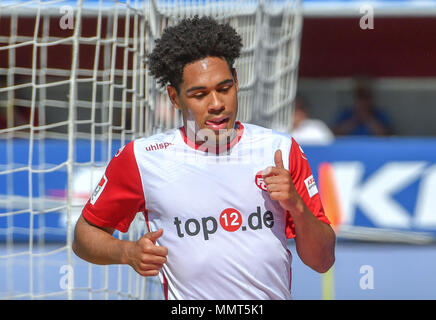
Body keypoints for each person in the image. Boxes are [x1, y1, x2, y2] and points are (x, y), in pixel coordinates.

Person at [72, 16, 336, 300]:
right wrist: (126, 252)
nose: (216, 104)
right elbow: (84, 235)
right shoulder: (142, 159)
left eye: (224, 88)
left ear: (236, 81)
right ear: (175, 98)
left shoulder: (280, 149)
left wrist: (296, 205)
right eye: (199, 95)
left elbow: (322, 261)